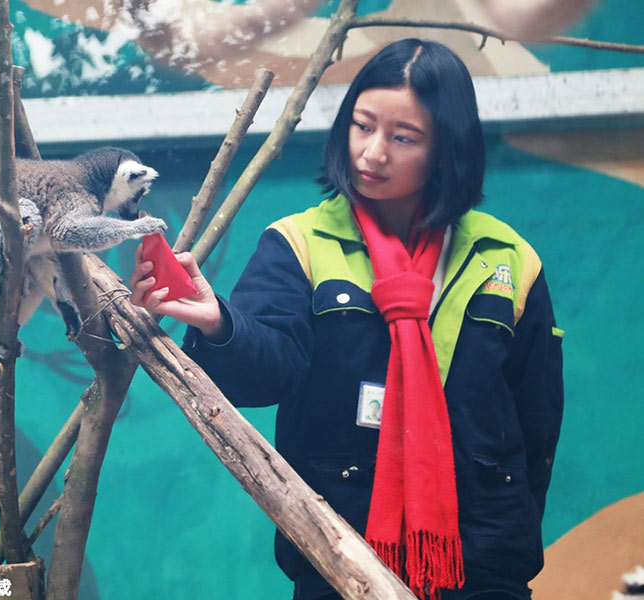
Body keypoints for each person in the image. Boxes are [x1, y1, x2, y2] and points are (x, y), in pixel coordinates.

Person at [129, 39, 564, 600]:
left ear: (448, 149)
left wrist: (508, 526)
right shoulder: (299, 242)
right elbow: (269, 371)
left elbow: (538, 423)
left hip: (480, 563)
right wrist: (219, 324)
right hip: (341, 550)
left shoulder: (509, 259)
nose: (373, 152)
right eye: (362, 126)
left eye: (402, 138)